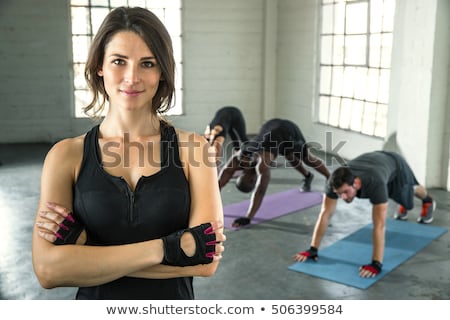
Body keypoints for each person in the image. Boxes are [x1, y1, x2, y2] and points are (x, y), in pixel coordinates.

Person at [32, 7, 225, 300]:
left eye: (147, 63)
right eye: (119, 61)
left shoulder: (194, 150)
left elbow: (206, 261)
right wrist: (169, 248)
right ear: (99, 65)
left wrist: (87, 251)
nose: (132, 77)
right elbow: (48, 271)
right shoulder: (65, 156)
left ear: (162, 72)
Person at [293, 150, 436, 278]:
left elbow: (379, 225)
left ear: (356, 183)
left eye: (345, 192)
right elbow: (325, 213)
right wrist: (313, 249)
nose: (342, 198)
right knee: (395, 197)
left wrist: (376, 264)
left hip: (396, 166)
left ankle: (427, 200)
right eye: (339, 194)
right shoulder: (333, 183)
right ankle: (401, 198)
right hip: (377, 164)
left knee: (408, 197)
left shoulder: (374, 182)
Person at [218, 118, 330, 228]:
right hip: (270, 125)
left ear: (253, 180)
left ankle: (330, 178)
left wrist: (248, 217)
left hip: (287, 130)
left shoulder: (261, 165)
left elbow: (260, 191)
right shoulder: (238, 159)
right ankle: (308, 176)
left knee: (307, 159)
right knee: (290, 155)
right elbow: (219, 182)